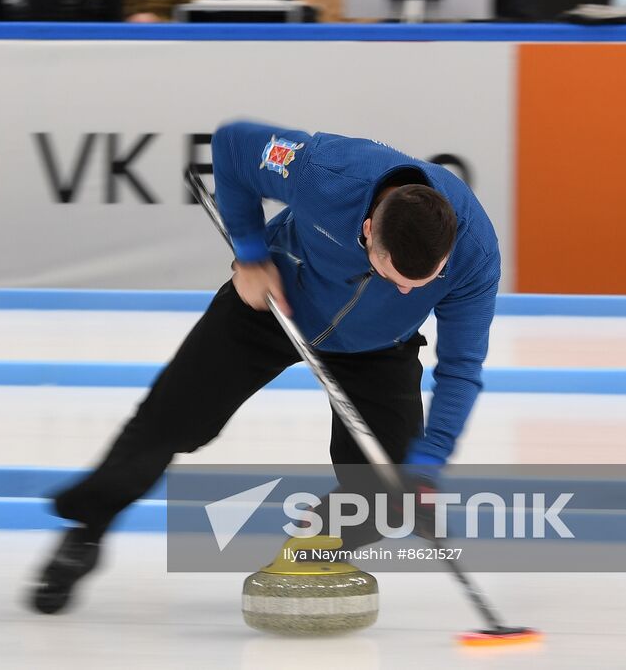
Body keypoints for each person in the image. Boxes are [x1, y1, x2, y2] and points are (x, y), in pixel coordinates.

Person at [30, 120, 501, 614]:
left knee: (386, 491)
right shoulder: (327, 172)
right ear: (367, 231)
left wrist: (427, 468)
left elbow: (461, 368)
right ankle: (86, 530)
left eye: (423, 282)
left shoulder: (475, 254)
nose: (407, 291)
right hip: (274, 301)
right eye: (395, 276)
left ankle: (311, 549)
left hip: (379, 346)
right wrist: (252, 256)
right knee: (169, 419)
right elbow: (233, 145)